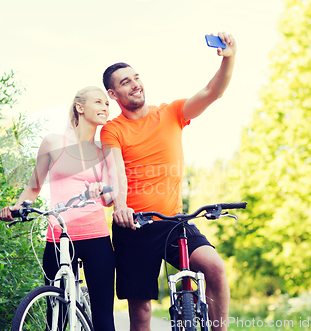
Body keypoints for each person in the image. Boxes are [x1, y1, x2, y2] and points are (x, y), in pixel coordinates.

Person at [100, 32, 237, 331]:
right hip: (134, 226)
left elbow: (213, 91)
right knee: (141, 313)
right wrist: (120, 206)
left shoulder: (171, 112)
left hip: (174, 222)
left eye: (136, 78)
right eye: (125, 82)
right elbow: (116, 172)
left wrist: (229, 58)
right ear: (113, 94)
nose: (135, 84)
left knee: (214, 267)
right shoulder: (112, 130)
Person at [0, 86, 116, 331]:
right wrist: (16, 207)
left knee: (104, 320)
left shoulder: (104, 149)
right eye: (99, 102)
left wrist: (103, 188)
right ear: (80, 107)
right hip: (58, 236)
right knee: (57, 318)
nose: (106, 107)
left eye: (107, 103)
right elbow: (33, 187)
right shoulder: (53, 142)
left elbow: (111, 195)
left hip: (96, 237)